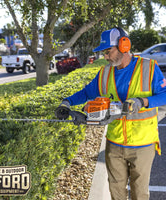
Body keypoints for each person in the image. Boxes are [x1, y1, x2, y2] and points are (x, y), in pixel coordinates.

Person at [55, 27, 166, 200]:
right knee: (116, 193)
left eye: (108, 51)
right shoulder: (105, 73)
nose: (106, 57)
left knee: (140, 193)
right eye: (104, 53)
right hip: (114, 144)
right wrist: (67, 102)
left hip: (143, 144)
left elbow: (164, 95)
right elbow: (86, 93)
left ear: (124, 45)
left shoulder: (149, 68)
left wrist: (143, 102)